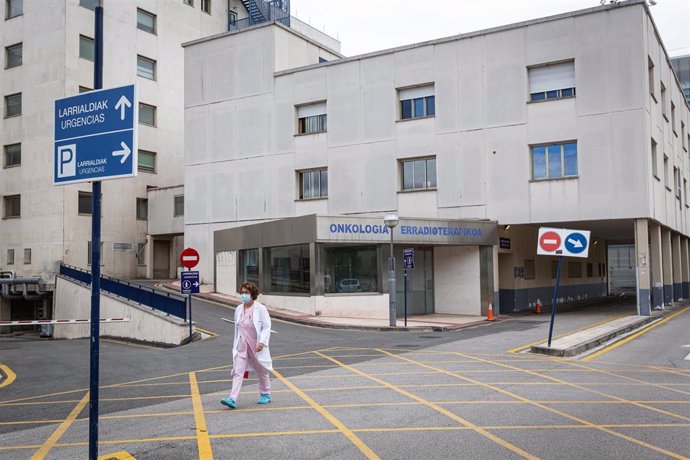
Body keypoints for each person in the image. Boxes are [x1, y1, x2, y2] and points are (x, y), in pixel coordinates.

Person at [220, 281, 273, 409]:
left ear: (252, 294)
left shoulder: (260, 309)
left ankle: (265, 394)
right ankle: (232, 398)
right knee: (238, 372)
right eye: (242, 292)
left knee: (262, 370)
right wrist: (237, 345)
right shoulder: (238, 309)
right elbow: (237, 328)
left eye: (246, 293)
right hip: (242, 345)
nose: (244, 295)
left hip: (256, 345)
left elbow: (267, 326)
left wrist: (262, 342)